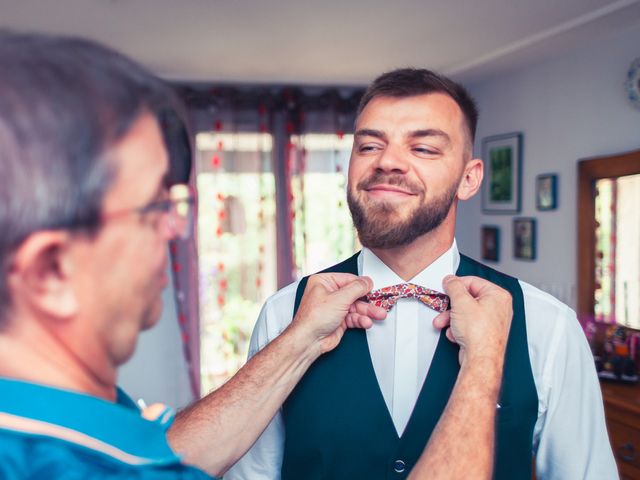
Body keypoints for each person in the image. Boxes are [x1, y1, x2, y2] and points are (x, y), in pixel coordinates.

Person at [0, 32, 512, 480]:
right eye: (156, 206)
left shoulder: (90, 422)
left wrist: (302, 339)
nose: (180, 227)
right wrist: (485, 363)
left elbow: (171, 455)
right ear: (51, 271)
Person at [227, 68, 618, 480]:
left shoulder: (547, 325)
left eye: (424, 148)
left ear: (468, 179)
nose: (387, 162)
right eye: (370, 145)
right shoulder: (285, 312)